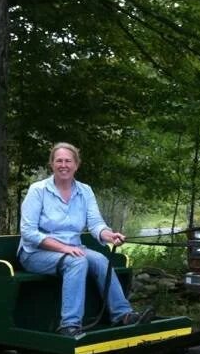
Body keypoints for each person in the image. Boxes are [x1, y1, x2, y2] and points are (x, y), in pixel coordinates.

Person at [18, 142, 153, 337]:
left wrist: (109, 235)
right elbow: (28, 233)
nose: (63, 165)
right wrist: (63, 248)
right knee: (77, 262)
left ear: (76, 165)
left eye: (68, 161)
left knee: (100, 259)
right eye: (59, 161)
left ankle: (123, 315)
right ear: (52, 164)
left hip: (72, 248)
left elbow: (96, 223)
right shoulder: (38, 190)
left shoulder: (85, 191)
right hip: (35, 253)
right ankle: (69, 325)